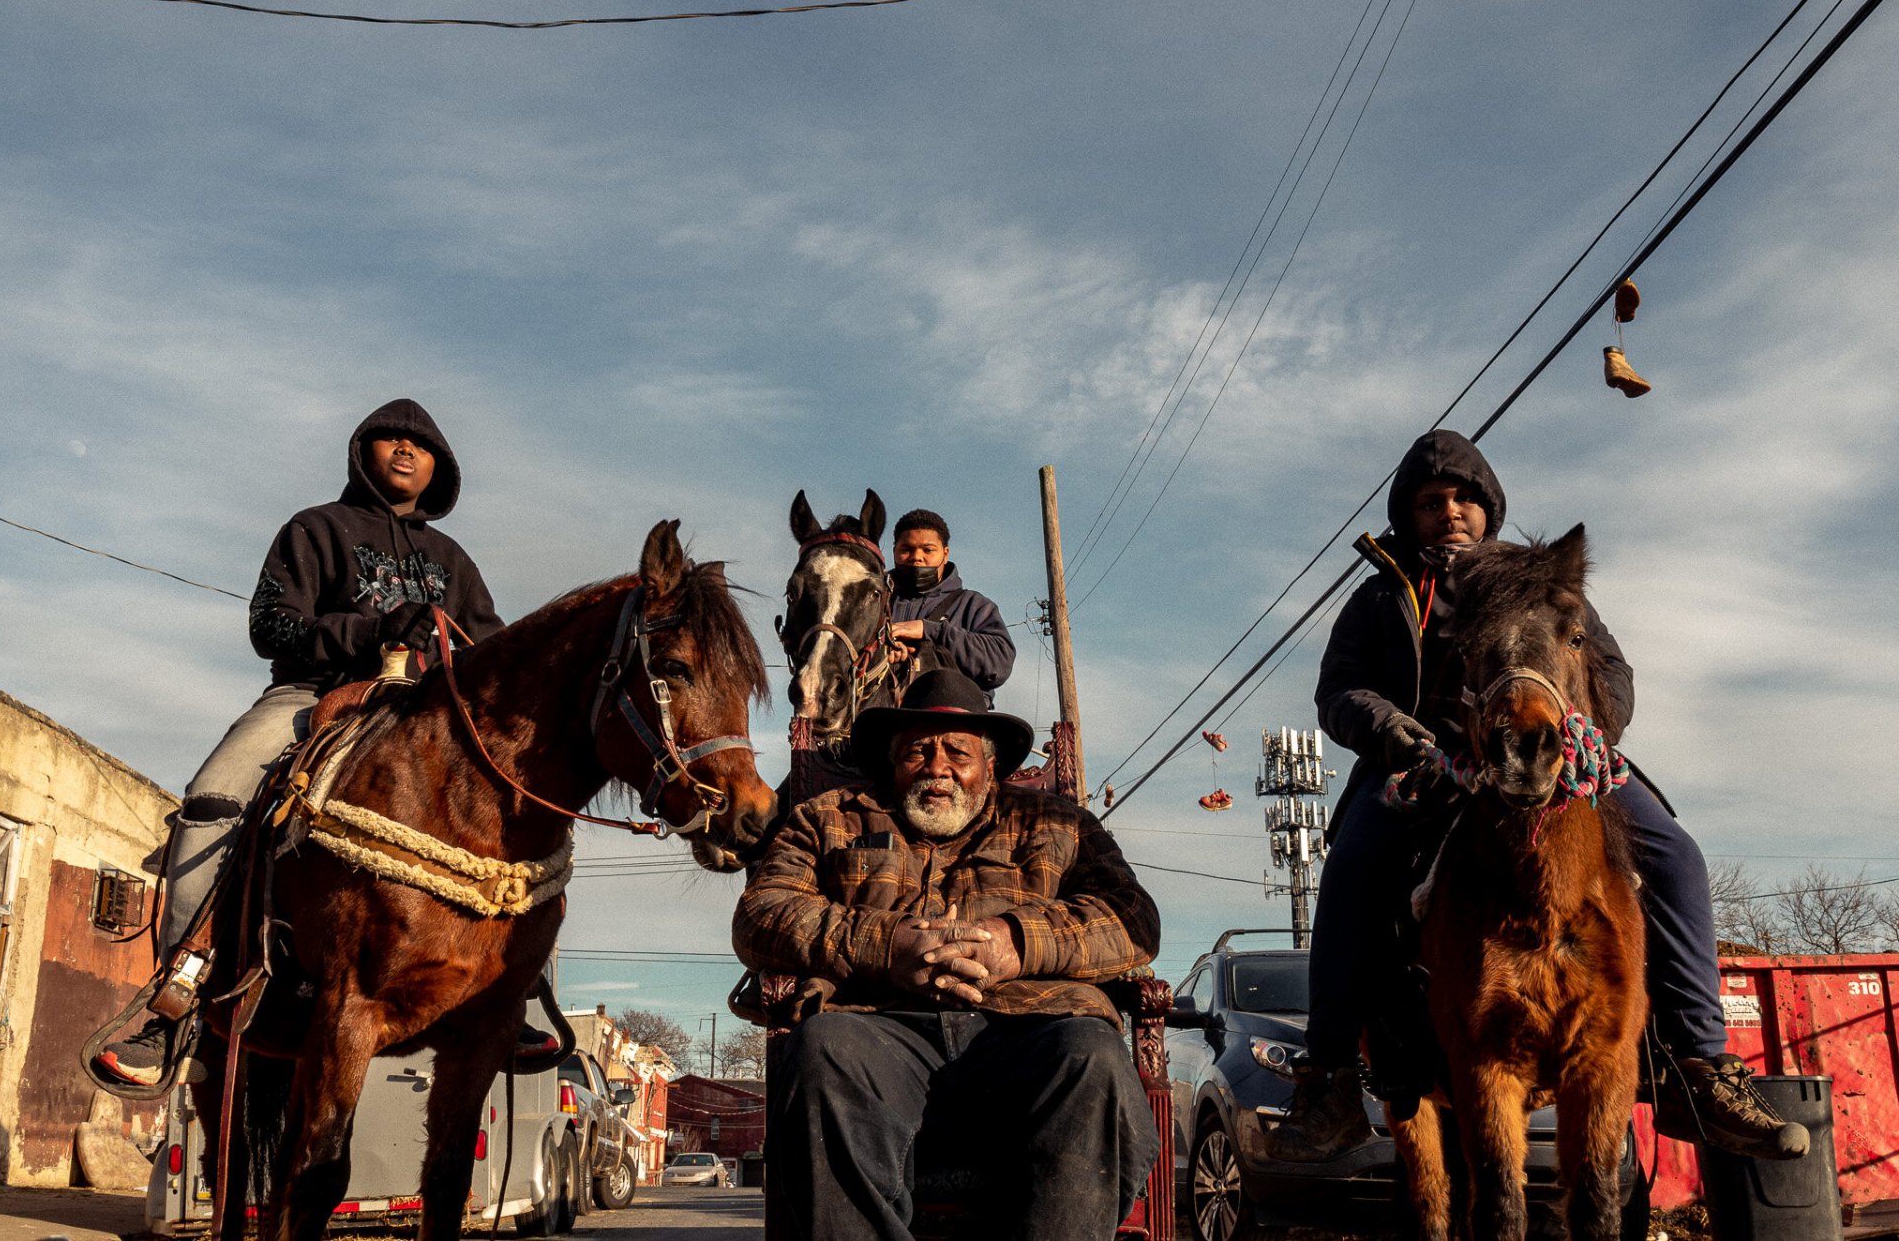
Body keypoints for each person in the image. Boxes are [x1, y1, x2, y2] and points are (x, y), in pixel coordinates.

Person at [1265, 429, 1806, 1163]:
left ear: (1488, 506)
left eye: (1463, 497)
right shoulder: (1381, 595)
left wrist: (1573, 722)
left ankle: (1698, 1067)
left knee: (1677, 856)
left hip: (1555, 754)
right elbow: (1339, 690)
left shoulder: (1541, 577)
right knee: (1354, 863)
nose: (1448, 511)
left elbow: (1612, 672)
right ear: (1407, 514)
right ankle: (1327, 1076)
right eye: (1430, 502)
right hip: (1429, 765)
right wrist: (1392, 729)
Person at [94, 399, 506, 1088]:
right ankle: (177, 1002)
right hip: (313, 697)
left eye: (421, 444)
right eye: (390, 439)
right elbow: (271, 626)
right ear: (363, 452)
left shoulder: (453, 561)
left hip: (426, 716)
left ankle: (507, 994)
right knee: (213, 801)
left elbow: (489, 648)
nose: (405, 449)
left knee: (518, 809)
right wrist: (368, 631)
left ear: (439, 468)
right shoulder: (316, 528)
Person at [736, 668, 1161, 1240]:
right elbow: (761, 913)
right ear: (892, 760)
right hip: (880, 1030)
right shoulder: (829, 817)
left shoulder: (1057, 824)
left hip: (1030, 1030)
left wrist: (1019, 942)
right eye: (918, 751)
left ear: (990, 765)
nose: (937, 768)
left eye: (957, 752)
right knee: (822, 1050)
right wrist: (888, 946)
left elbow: (1134, 920)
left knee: (1092, 1053)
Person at [887, 508, 1015, 705]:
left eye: (928, 549)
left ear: (945, 554)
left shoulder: (974, 606)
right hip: (882, 724)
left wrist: (929, 630)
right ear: (894, 551)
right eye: (906, 549)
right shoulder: (871, 602)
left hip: (955, 726)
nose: (916, 557)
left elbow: (999, 663)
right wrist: (881, 652)